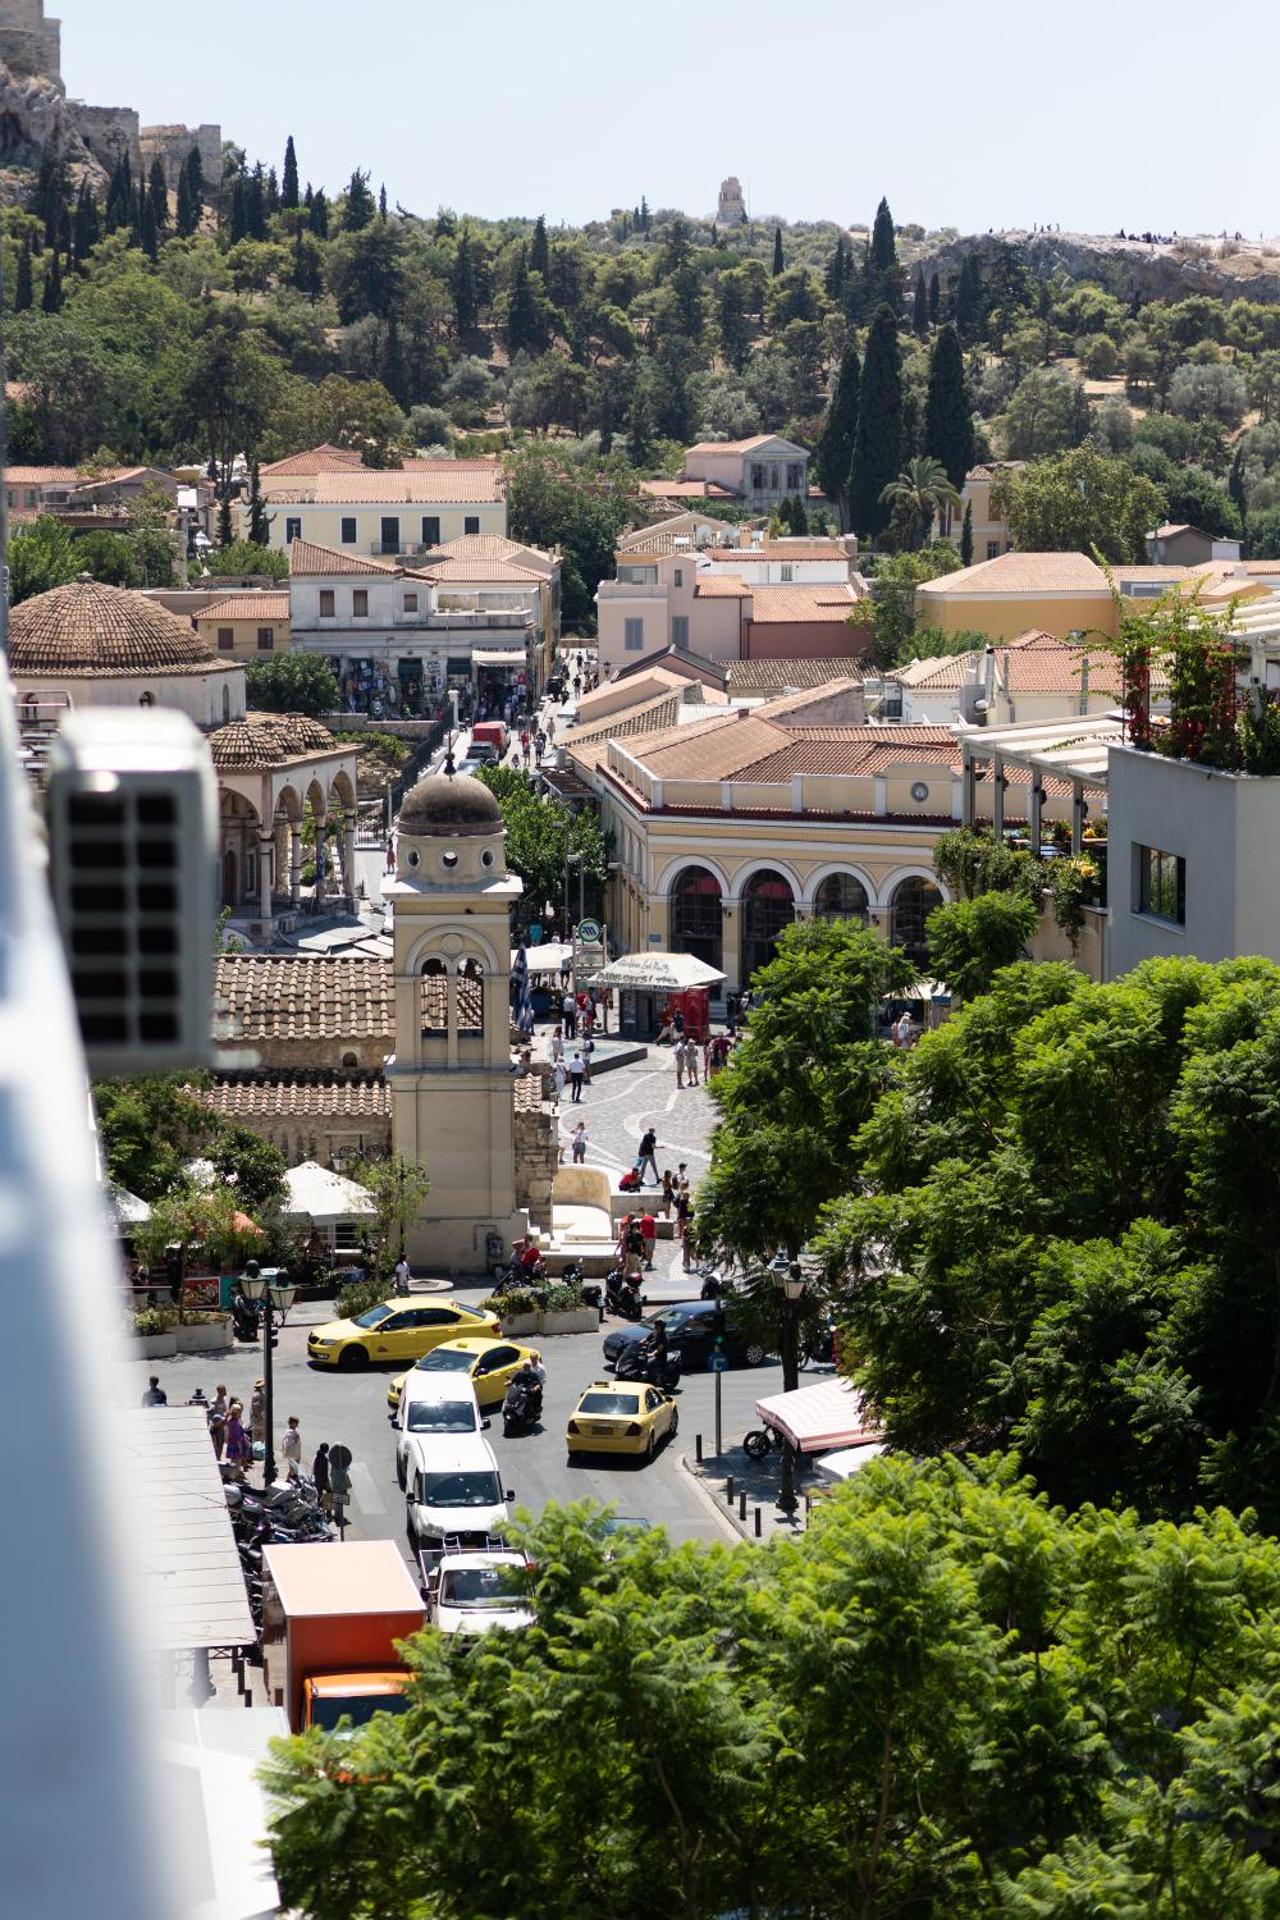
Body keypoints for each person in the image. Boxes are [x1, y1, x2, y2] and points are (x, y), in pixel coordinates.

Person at [224, 1402, 250, 1472]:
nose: (240, 1414)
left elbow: (226, 1423)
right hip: (237, 1445)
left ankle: (234, 1473)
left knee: (233, 1460)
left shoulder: (230, 1421)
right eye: (239, 1412)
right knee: (238, 1461)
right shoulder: (236, 1423)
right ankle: (236, 1474)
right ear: (237, 1413)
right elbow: (237, 1437)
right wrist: (240, 1447)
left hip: (231, 1443)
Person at [312, 1442, 334, 1517]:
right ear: (326, 1450)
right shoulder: (324, 1459)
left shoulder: (316, 1456)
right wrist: (327, 1482)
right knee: (329, 1493)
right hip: (322, 1480)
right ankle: (328, 1512)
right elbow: (325, 1473)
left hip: (316, 1480)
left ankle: (319, 1510)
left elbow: (314, 1470)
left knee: (319, 1495)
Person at [249, 1379, 267, 1452]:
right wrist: (260, 1417)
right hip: (258, 1420)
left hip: (258, 1420)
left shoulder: (259, 1393)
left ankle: (257, 1452)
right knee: (259, 1437)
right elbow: (256, 1406)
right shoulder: (258, 1394)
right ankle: (257, 1453)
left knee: (259, 1438)